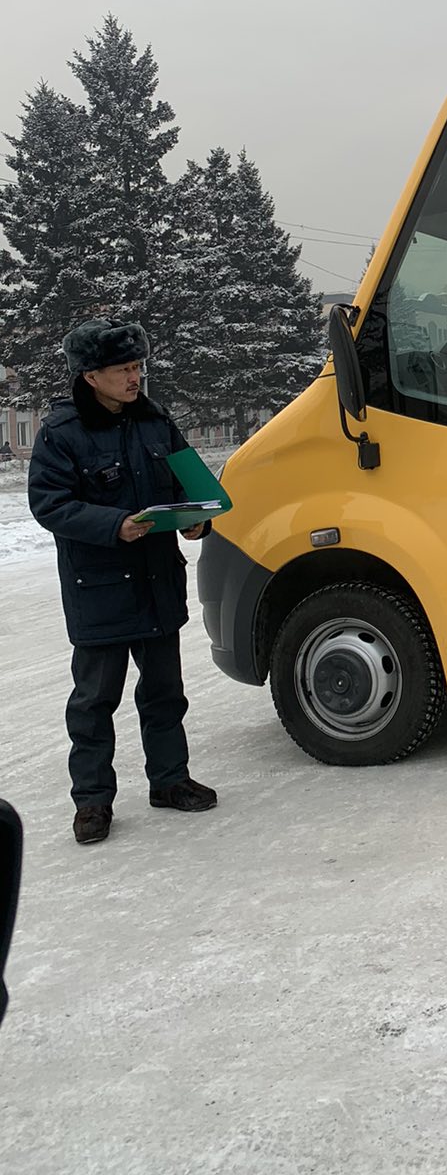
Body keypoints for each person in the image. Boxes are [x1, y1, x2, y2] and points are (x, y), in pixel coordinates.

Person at [27, 318, 218, 845]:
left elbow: (193, 484)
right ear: (91, 375)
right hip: (101, 589)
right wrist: (114, 525)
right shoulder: (61, 433)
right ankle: (92, 802)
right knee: (93, 704)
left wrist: (201, 517)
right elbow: (50, 504)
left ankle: (170, 781)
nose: (135, 378)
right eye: (123, 370)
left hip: (157, 582)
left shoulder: (156, 422)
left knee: (165, 694)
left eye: (137, 367)